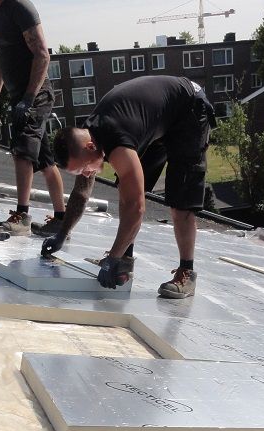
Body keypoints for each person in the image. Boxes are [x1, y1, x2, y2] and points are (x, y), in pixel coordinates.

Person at [41, 76, 216, 299]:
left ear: (91, 147)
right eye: (79, 172)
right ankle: (124, 258)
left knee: (180, 202)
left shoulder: (116, 141)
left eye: (84, 168)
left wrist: (111, 259)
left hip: (189, 109)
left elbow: (136, 207)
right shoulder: (86, 136)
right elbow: (82, 192)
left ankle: (186, 273)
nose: (86, 173)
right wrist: (62, 233)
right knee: (126, 187)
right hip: (159, 121)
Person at [0, 0, 66, 237]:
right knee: (45, 161)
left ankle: (22, 217)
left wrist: (29, 99)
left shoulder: (20, 7)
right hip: (18, 96)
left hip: (36, 93)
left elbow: (42, 55)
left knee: (21, 150)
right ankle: (61, 219)